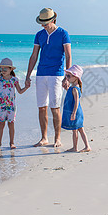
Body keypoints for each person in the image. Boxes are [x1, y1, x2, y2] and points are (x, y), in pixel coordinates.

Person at [25, 8, 72, 147]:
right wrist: (28, 75)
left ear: (53, 20)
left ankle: (57, 138)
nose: (43, 25)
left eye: (45, 22)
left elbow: (68, 55)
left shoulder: (63, 34)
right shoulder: (39, 34)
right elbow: (34, 56)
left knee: (55, 107)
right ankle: (44, 138)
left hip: (57, 74)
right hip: (41, 74)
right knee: (41, 107)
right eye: (41, 22)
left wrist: (67, 76)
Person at [0, 58, 27, 151]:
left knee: (11, 124)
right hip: (1, 106)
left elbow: (20, 91)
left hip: (11, 106)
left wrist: (26, 87)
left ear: (11, 69)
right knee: (1, 125)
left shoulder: (14, 79)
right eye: (1, 69)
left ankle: (12, 143)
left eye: (5, 69)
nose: (2, 71)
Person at [61, 65, 91, 152]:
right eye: (66, 75)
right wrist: (66, 88)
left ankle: (85, 146)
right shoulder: (72, 88)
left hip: (76, 112)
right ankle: (75, 147)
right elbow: (70, 96)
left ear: (76, 77)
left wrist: (73, 113)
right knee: (76, 130)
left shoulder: (75, 89)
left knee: (79, 129)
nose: (67, 78)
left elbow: (76, 101)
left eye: (69, 76)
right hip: (74, 112)